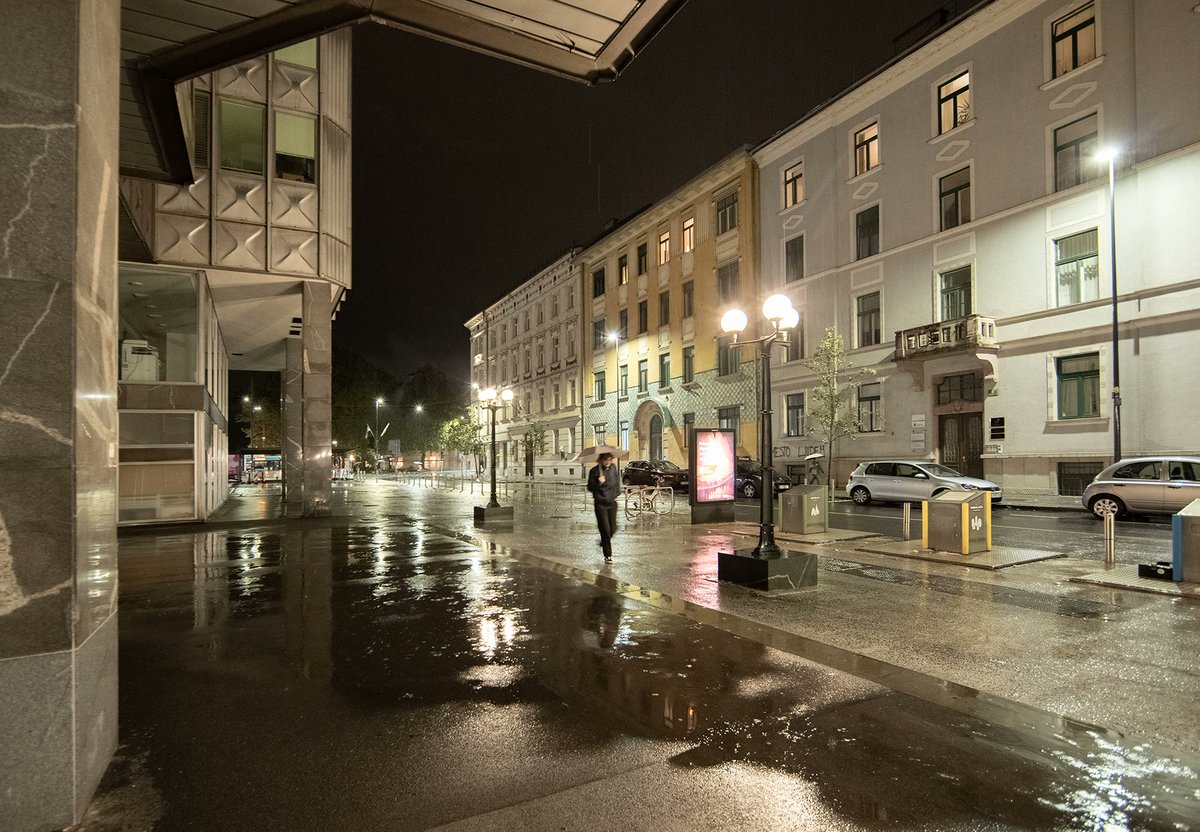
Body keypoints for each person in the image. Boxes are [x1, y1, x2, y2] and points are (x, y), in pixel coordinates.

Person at [587, 452, 621, 563]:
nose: (608, 462)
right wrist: (599, 482)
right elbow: (590, 487)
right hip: (600, 504)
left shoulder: (613, 468)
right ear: (601, 460)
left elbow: (616, 483)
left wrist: (616, 494)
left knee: (613, 529)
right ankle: (608, 555)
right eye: (606, 459)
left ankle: (604, 541)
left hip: (612, 503)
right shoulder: (594, 471)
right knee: (605, 530)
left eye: (610, 459)